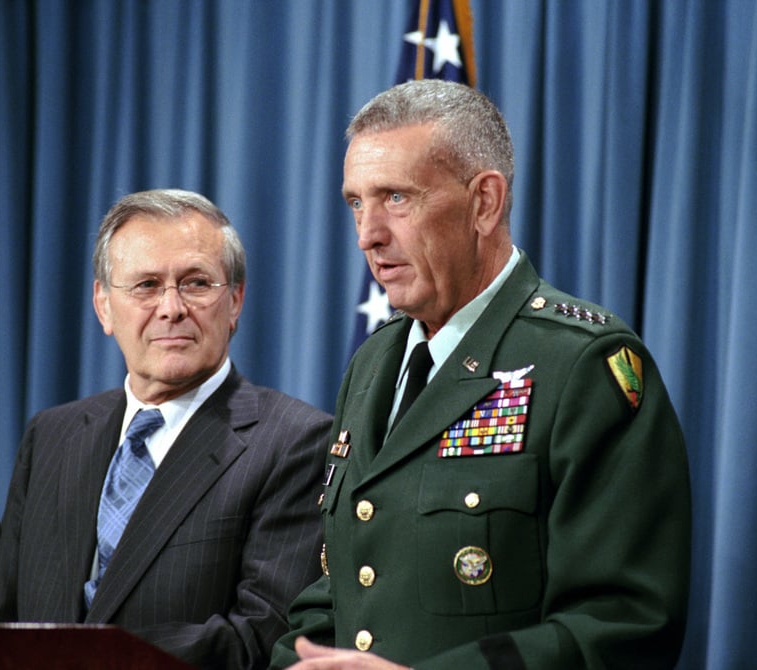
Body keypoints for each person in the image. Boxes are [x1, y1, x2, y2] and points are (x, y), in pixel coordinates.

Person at [271, 80, 691, 669]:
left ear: (484, 203)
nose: (368, 234)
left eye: (396, 198)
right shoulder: (374, 363)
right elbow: (346, 586)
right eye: (356, 202)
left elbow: (624, 622)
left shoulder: (582, 364)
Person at [0, 189, 332, 669]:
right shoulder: (53, 435)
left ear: (236, 300)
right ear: (103, 305)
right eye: (146, 286)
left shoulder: (293, 441)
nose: (171, 307)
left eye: (196, 283)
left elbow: (264, 635)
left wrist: (80, 659)